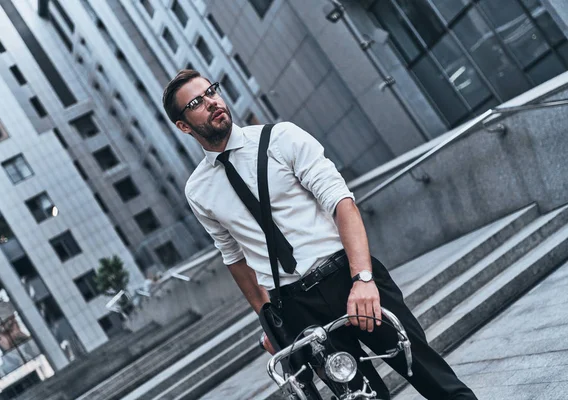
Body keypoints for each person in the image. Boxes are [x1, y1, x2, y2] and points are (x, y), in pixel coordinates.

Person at [162, 69, 477, 400]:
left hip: (345, 275)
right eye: (197, 102)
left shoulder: (281, 138)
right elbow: (234, 257)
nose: (212, 101)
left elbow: (342, 204)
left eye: (212, 91)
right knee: (360, 397)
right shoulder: (198, 190)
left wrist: (363, 278)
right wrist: (269, 322)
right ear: (184, 125)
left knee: (431, 377)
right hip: (295, 307)